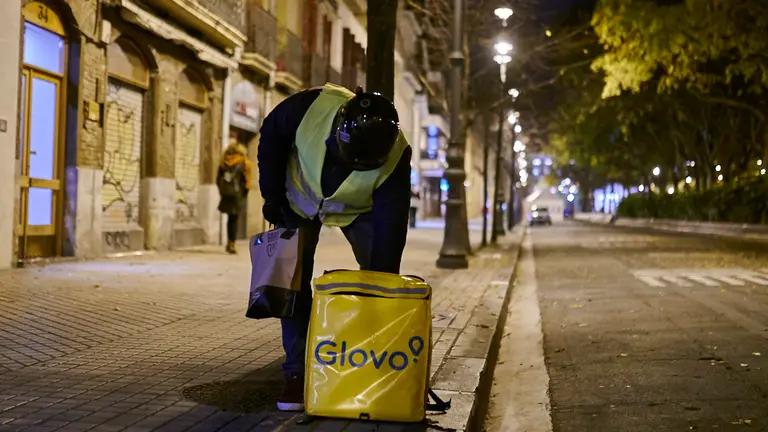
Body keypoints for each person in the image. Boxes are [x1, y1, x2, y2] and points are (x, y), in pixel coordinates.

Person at [258, 83, 412, 412]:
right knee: (291, 283)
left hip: (358, 211)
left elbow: (390, 224)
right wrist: (271, 195)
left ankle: (372, 360)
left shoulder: (397, 155)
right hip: (297, 202)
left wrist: (382, 282)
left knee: (379, 282)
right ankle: (296, 372)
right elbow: (271, 136)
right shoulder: (307, 108)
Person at [216, 136, 252, 254]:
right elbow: (247, 181)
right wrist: (245, 193)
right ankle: (232, 244)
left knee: (230, 218)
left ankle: (229, 242)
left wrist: (222, 191)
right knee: (234, 219)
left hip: (226, 194)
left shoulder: (223, 161)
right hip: (238, 194)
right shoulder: (244, 162)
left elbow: (218, 179)